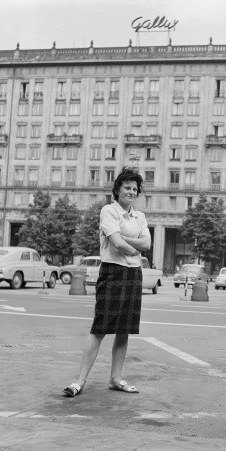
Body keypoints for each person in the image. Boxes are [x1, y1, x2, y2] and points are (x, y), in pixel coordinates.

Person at [63, 167, 151, 397]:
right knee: (100, 328)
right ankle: (79, 381)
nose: (131, 192)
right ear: (118, 189)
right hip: (112, 272)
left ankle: (115, 379)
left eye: (135, 189)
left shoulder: (140, 216)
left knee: (124, 330)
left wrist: (125, 240)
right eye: (127, 188)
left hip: (133, 274)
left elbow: (147, 244)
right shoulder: (108, 211)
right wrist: (134, 246)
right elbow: (116, 245)